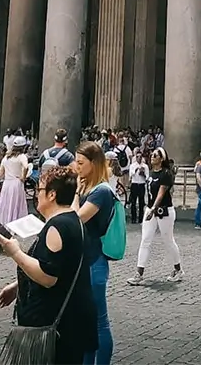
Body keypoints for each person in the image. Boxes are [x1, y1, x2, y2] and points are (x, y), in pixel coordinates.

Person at [0, 166, 98, 365]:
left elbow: (49, 277)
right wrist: (18, 286)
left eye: (39, 189)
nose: (35, 195)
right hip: (74, 319)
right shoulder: (73, 220)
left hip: (58, 327)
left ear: (51, 194)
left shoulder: (56, 226)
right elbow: (61, 266)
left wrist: (15, 252)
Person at [73, 141, 117, 365]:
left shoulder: (101, 191)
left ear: (94, 163)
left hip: (94, 261)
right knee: (86, 321)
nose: (76, 166)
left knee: (99, 321)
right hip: (85, 260)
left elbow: (76, 220)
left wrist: (75, 194)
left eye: (81, 163)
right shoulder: (88, 188)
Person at [126, 147, 182, 286]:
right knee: (145, 240)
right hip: (151, 209)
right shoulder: (151, 173)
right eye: (151, 155)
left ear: (161, 159)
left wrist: (153, 209)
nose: (152, 157)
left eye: (155, 155)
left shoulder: (166, 174)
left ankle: (178, 269)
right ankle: (139, 273)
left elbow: (161, 194)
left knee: (168, 240)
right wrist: (148, 208)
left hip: (164, 211)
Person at [126, 151, 149, 224]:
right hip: (134, 184)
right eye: (137, 157)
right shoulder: (132, 165)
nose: (139, 158)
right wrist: (136, 170)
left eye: (140, 157)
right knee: (133, 202)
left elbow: (147, 177)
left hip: (141, 184)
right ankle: (133, 218)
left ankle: (141, 218)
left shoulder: (145, 166)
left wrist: (143, 174)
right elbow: (131, 174)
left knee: (141, 202)